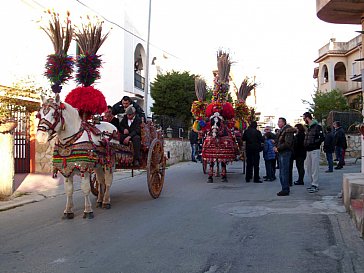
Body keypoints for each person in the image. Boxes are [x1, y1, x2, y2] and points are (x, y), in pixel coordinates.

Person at [303, 112, 325, 193]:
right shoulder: (308, 128)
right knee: (309, 168)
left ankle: (315, 184)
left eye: (304, 118)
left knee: (314, 168)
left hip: (315, 149)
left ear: (307, 118)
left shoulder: (317, 127)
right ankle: (312, 183)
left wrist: (314, 143)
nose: (303, 119)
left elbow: (322, 137)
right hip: (308, 150)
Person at [274, 117, 296, 196]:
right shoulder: (282, 130)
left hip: (285, 152)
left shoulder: (288, 131)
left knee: (284, 171)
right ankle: (284, 188)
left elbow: (287, 143)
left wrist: (278, 148)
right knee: (282, 171)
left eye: (279, 122)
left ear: (283, 122)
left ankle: (285, 189)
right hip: (281, 152)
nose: (278, 123)